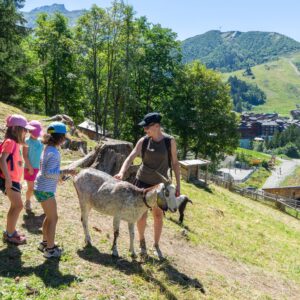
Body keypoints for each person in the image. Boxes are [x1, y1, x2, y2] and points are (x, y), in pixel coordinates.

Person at [114, 112, 181, 259]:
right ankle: (142, 242)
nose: (145, 130)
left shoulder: (170, 142)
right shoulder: (143, 141)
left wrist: (178, 185)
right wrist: (121, 172)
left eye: (147, 127)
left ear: (157, 126)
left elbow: (175, 164)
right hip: (142, 184)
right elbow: (131, 156)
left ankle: (156, 245)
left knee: (157, 215)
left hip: (159, 187)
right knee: (141, 215)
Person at [34, 122, 76, 258]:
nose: (65, 139)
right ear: (60, 137)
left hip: (41, 187)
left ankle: (45, 242)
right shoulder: (54, 152)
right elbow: (49, 172)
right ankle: (50, 250)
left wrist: (59, 178)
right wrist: (66, 171)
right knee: (53, 218)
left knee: (49, 216)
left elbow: (46, 170)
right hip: (45, 189)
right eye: (64, 136)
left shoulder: (47, 149)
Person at [0, 114, 35, 245]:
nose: (26, 132)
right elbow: (2, 160)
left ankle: (10, 231)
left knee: (15, 206)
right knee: (18, 206)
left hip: (13, 180)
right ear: (15, 129)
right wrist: (8, 179)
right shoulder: (10, 142)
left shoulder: (15, 143)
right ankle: (10, 234)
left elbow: (12, 161)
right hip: (10, 180)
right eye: (24, 129)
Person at [23, 120, 43, 212]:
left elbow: (40, 156)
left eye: (38, 133)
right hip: (29, 168)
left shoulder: (41, 142)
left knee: (37, 187)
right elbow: (25, 155)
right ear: (30, 131)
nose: (37, 135)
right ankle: (27, 201)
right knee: (30, 188)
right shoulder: (27, 141)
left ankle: (43, 202)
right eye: (35, 133)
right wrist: (30, 167)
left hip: (38, 168)